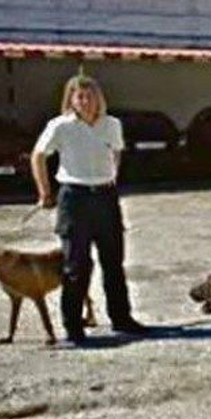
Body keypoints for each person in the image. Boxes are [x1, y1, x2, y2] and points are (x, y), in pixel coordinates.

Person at [31, 73, 149, 344]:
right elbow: (38, 156)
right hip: (75, 198)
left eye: (90, 95)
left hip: (105, 197)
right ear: (71, 100)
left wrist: (111, 176)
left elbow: (117, 151)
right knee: (76, 265)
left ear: (99, 98)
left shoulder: (112, 124)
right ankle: (73, 327)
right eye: (80, 96)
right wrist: (44, 191)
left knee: (113, 262)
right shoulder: (60, 126)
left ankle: (122, 318)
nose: (86, 101)